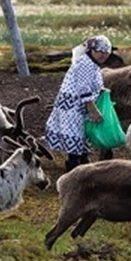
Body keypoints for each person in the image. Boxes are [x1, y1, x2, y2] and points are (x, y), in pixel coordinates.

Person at [45, 35, 113, 170]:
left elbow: (90, 84)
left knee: (80, 134)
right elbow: (84, 89)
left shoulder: (92, 63)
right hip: (73, 106)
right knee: (75, 133)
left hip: (76, 106)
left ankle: (82, 162)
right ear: (93, 50)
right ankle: (74, 167)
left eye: (106, 53)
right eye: (100, 52)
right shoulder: (85, 64)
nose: (103, 55)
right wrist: (94, 110)